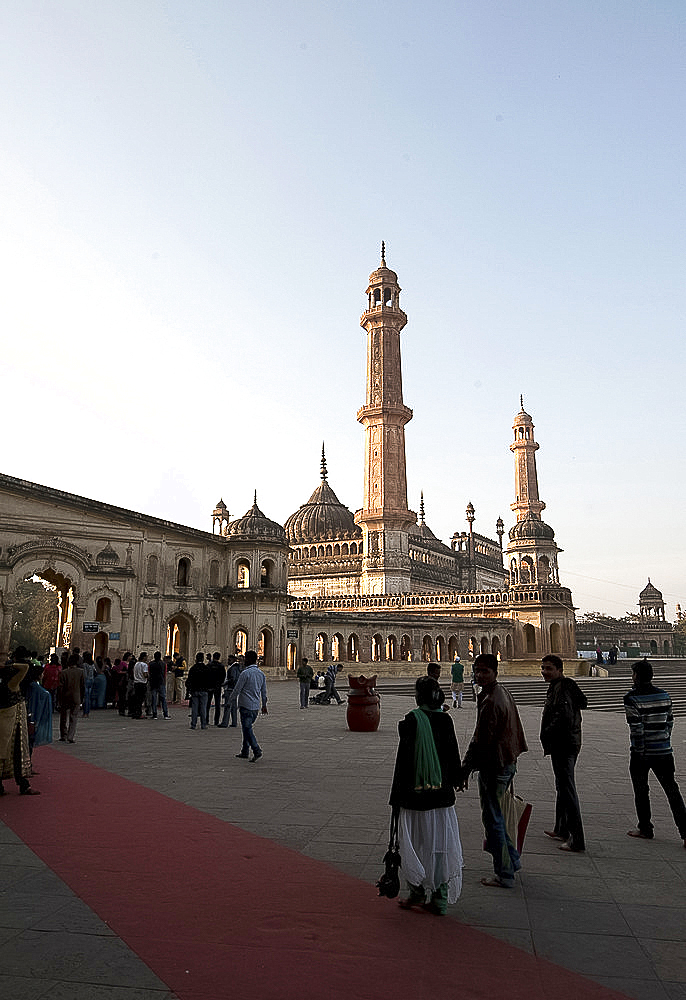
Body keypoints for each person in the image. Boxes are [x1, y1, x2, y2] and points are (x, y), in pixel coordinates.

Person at [390, 676, 463, 915]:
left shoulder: (411, 721)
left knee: (416, 844)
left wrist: (396, 797)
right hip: (441, 794)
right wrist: (457, 780)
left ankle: (417, 892)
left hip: (414, 794)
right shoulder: (445, 720)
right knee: (439, 845)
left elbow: (403, 763)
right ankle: (440, 897)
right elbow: (453, 757)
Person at [461, 653, 528, 888]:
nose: (479, 675)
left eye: (484, 671)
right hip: (506, 761)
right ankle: (512, 861)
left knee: (493, 819)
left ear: (494, 672)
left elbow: (481, 739)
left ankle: (504, 873)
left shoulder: (491, 699)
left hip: (495, 764)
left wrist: (466, 767)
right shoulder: (501, 692)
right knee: (497, 815)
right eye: (477, 671)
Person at [624, 660, 686, 846]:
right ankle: (685, 832)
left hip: (643, 753)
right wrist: (663, 739)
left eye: (633, 673)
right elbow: (670, 722)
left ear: (637, 676)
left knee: (641, 791)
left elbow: (636, 728)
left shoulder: (631, 698)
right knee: (672, 790)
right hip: (664, 751)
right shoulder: (664, 695)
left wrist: (640, 750)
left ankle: (645, 828)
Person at [540, 654, 587, 852]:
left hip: (564, 744)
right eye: (543, 668)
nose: (544, 672)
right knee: (562, 785)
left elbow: (564, 717)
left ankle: (577, 839)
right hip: (568, 742)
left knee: (567, 789)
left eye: (549, 668)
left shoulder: (563, 688)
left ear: (560, 670)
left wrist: (548, 731)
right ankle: (561, 829)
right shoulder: (560, 686)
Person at [0, 647, 39, 795]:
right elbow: (25, 667)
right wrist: (9, 665)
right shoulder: (13, 682)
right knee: (17, 751)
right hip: (13, 721)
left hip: (4, 719)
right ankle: (23, 784)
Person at [228, 650, 267, 762]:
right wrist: (264, 705)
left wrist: (230, 700)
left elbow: (237, 689)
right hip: (255, 706)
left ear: (248, 660)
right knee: (246, 728)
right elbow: (264, 692)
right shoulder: (261, 674)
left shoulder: (245, 673)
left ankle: (256, 749)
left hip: (245, 705)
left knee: (247, 728)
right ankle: (245, 751)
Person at [58, 652, 85, 744]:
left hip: (65, 696)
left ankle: (63, 734)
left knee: (63, 717)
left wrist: (59, 698)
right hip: (76, 696)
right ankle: (70, 736)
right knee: (74, 717)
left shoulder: (63, 673)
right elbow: (82, 686)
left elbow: (60, 687)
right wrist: (82, 697)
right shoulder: (81, 672)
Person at [186, 652, 211, 730]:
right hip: (204, 690)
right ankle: (203, 724)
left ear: (196, 659)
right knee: (203, 708)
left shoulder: (193, 668)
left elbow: (189, 680)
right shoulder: (206, 668)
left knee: (194, 708)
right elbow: (209, 680)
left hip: (195, 690)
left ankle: (193, 724)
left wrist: (189, 689)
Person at [219, 655, 240, 727]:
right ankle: (234, 722)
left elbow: (233, 678)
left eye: (229, 660)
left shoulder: (233, 668)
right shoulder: (237, 667)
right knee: (234, 706)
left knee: (228, 706)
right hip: (234, 688)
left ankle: (225, 722)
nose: (228, 661)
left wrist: (225, 683)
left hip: (230, 688)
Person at [148, 651, 170, 720]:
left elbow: (149, 673)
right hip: (161, 682)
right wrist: (164, 682)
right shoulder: (163, 664)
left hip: (153, 683)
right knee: (163, 699)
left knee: (154, 699)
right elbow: (164, 674)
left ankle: (155, 714)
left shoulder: (151, 664)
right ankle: (165, 714)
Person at [206, 652, 226, 726]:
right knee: (217, 704)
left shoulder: (209, 665)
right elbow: (223, 676)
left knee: (207, 704)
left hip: (210, 686)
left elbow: (206, 675)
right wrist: (220, 683)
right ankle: (216, 721)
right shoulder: (221, 666)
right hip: (217, 687)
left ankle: (206, 720)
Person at [131, 653, 149, 719]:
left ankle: (135, 713)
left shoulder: (136, 664)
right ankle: (139, 713)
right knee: (140, 699)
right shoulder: (144, 665)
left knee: (136, 699)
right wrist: (148, 676)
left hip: (136, 682)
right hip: (142, 683)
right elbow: (145, 674)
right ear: (144, 657)